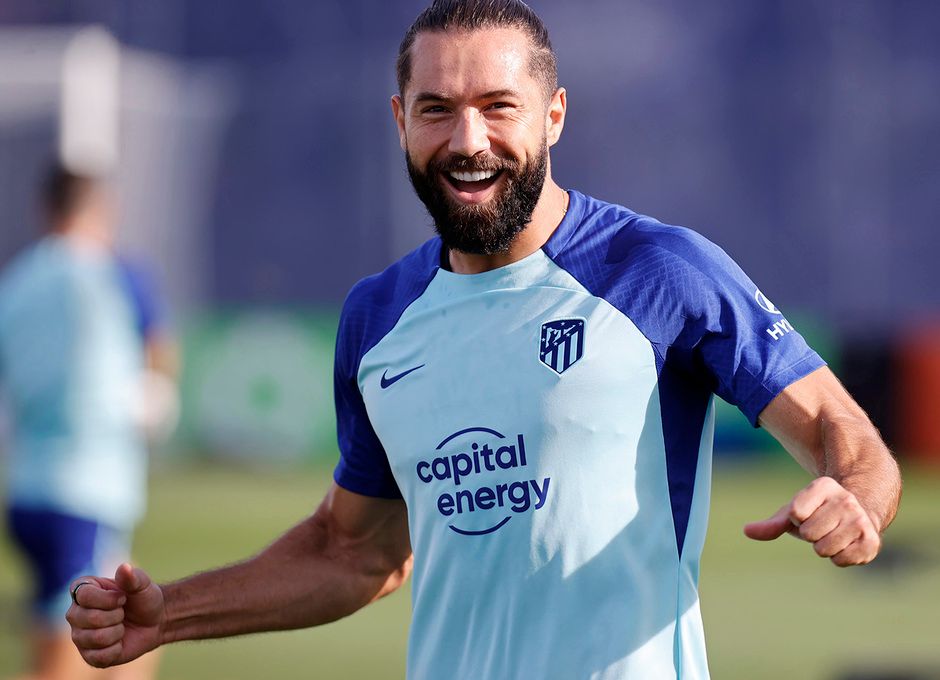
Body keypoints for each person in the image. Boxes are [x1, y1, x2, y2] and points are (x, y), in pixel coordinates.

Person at [65, 1, 901, 678]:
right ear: (401, 120)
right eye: (437, 110)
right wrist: (170, 612)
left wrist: (855, 498)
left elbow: (845, 432)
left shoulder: (660, 270)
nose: (468, 142)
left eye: (499, 107)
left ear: (554, 115)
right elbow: (354, 552)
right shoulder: (376, 318)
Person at [0, 164, 175, 680]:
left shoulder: (17, 280)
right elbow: (160, 357)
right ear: (100, 210)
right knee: (69, 657)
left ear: (46, 210)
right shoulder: (116, 272)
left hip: (29, 488)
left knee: (135, 633)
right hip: (86, 490)